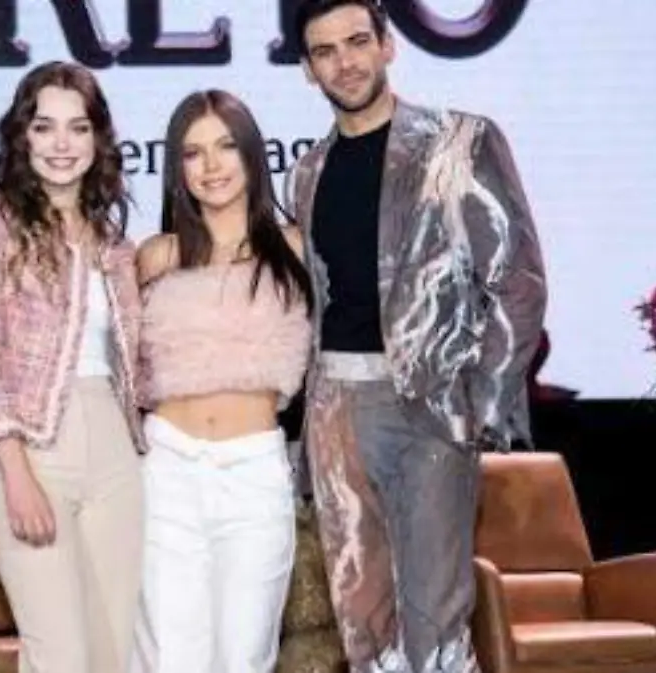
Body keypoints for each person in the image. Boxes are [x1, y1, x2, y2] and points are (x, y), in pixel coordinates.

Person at [286, 1, 547, 671]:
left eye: (356, 42)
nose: (345, 62)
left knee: (435, 620)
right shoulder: (307, 171)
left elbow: (516, 280)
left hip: (431, 408)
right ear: (308, 69)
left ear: (387, 45)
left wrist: (481, 405)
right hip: (337, 409)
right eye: (325, 52)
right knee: (363, 623)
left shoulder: (459, 141)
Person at [0, 60, 144, 673]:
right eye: (44, 127)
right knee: (59, 654)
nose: (62, 144)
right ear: (22, 136)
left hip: (115, 450)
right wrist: (13, 471)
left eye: (78, 128)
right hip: (33, 452)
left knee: (113, 653)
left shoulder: (113, 244)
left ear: (98, 138)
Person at [131, 89, 314, 673]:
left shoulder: (294, 248)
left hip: (255, 470)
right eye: (192, 153)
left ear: (252, 154)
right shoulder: (156, 256)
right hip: (167, 470)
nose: (210, 166)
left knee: (244, 655)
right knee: (169, 657)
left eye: (225, 147)